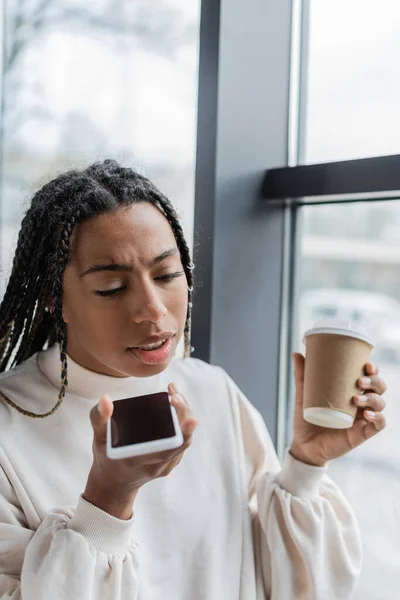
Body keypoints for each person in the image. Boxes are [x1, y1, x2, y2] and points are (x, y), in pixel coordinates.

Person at [0, 160, 387, 600]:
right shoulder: (8, 429)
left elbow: (295, 586)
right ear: (54, 297)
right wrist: (107, 502)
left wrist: (307, 463)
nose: (153, 309)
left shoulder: (211, 390)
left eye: (167, 275)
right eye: (111, 287)